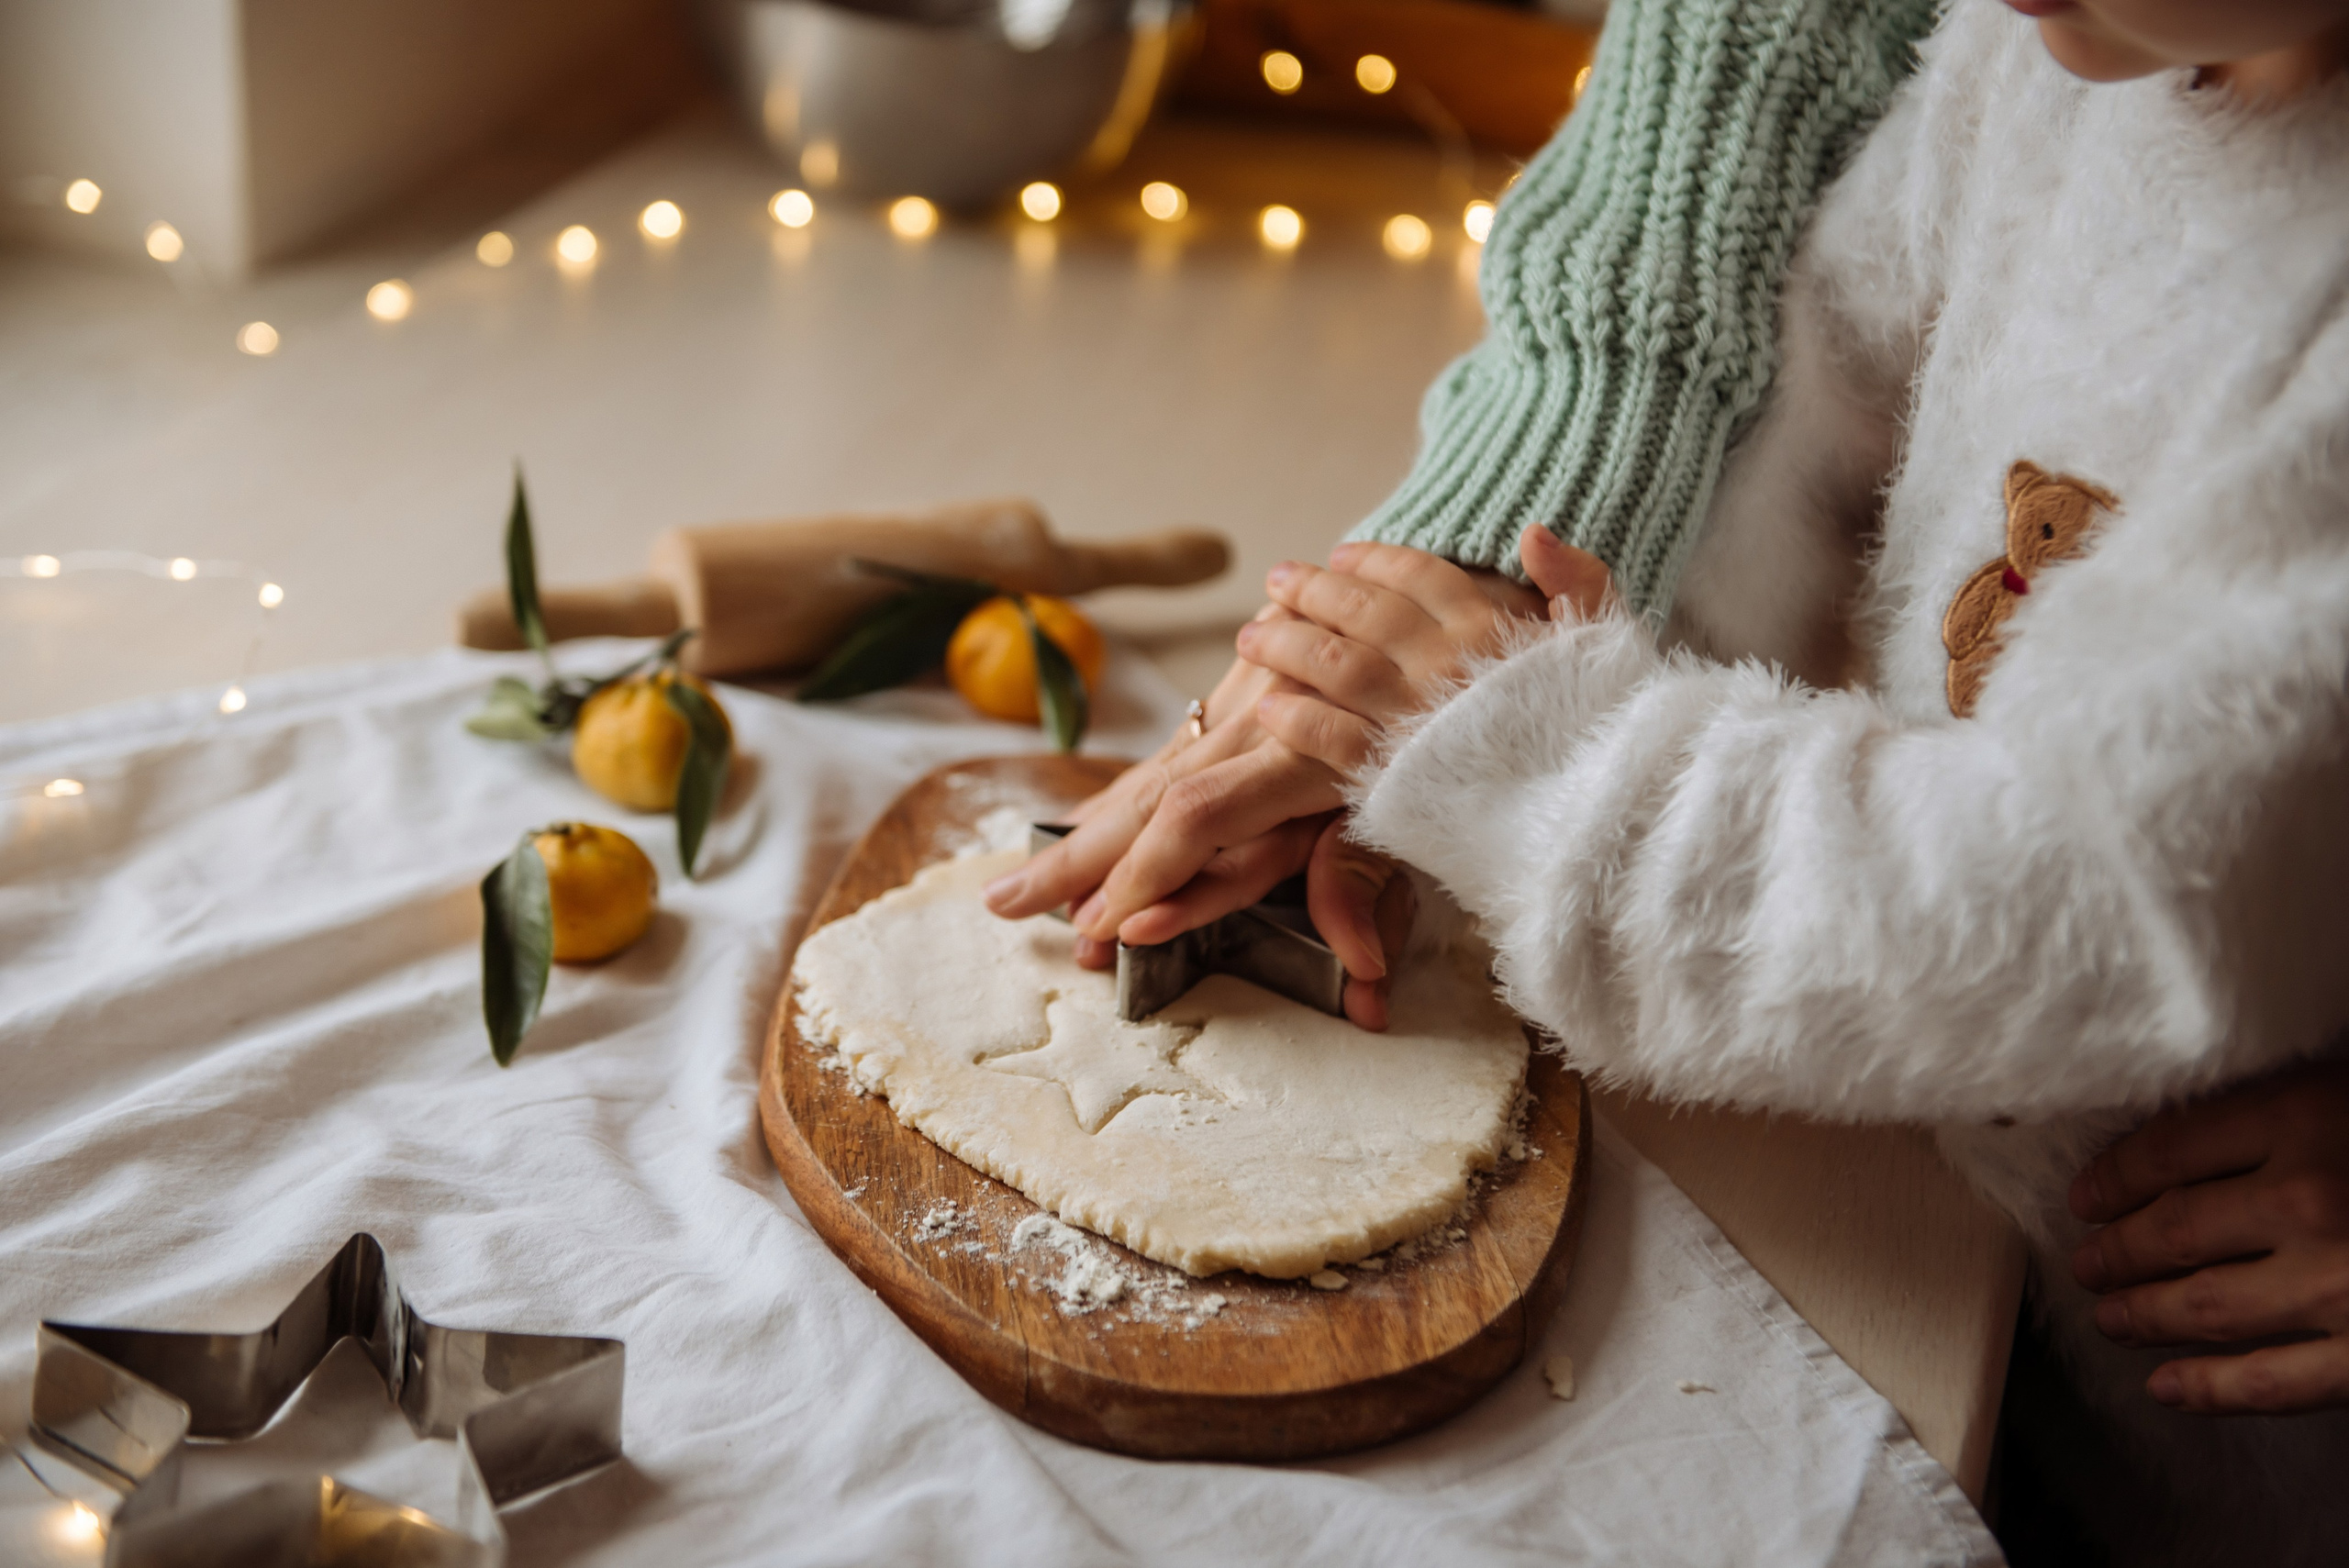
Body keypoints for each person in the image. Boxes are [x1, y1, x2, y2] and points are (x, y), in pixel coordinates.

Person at [1205, 0, 2349, 1560]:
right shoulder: (2050, 56)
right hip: (1957, 1256)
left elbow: (2066, 893)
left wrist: (1547, 769)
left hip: (2238, 1459)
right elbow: (1814, 412)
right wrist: (1444, 753)